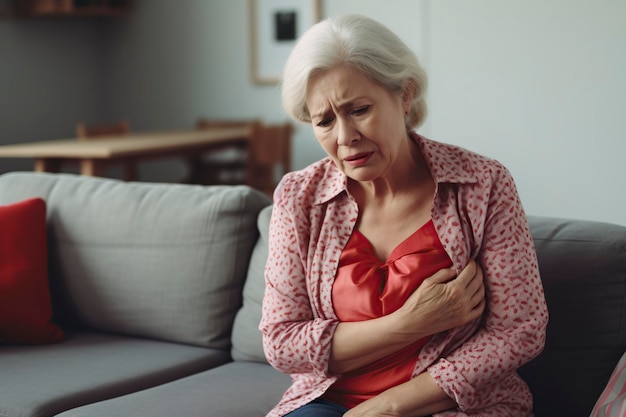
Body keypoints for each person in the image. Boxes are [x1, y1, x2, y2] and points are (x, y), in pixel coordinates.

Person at [260, 14, 548, 417]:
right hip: (325, 403)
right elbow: (282, 342)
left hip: (449, 404)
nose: (345, 138)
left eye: (359, 109)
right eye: (324, 121)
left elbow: (519, 330)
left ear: (405, 94)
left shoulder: (482, 184)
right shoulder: (299, 198)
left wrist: (389, 407)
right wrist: (412, 321)